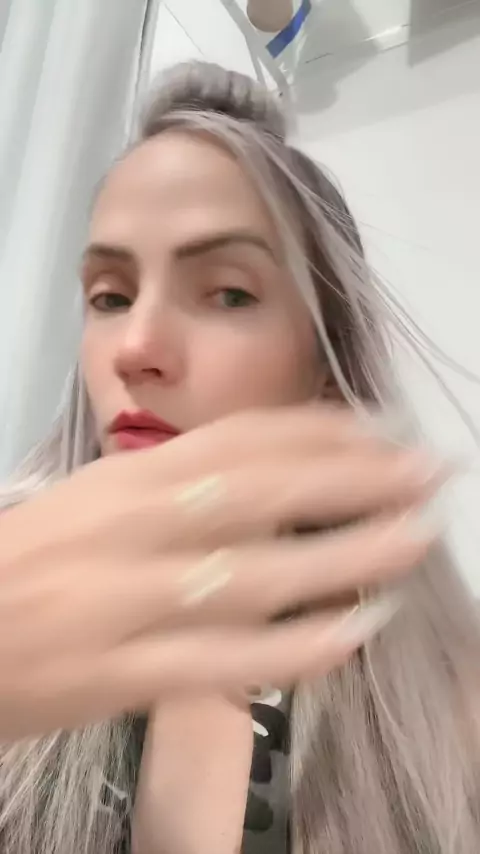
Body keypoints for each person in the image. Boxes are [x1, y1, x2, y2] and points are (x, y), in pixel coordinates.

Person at [0, 60, 478, 854]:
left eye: (227, 292)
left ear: (325, 369)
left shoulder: (443, 702)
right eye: (110, 296)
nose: (136, 348)